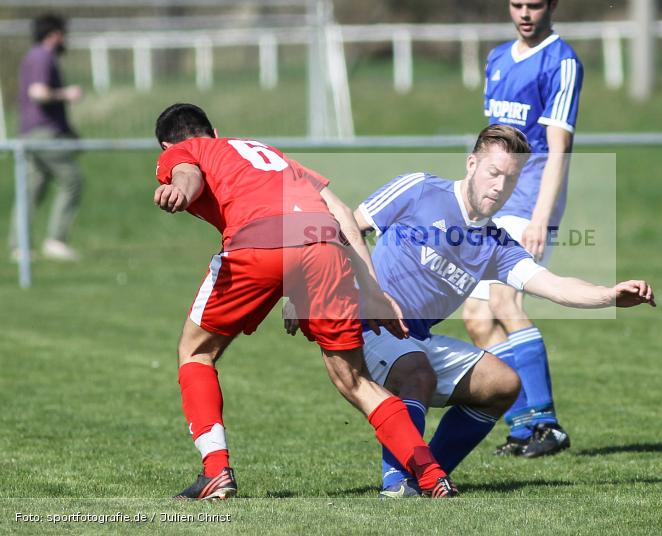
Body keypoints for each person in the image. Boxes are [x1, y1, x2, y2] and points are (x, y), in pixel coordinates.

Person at [285, 125, 653, 498]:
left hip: (413, 338)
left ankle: (427, 475)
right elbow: (344, 228)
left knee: (502, 384)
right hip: (365, 324)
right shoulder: (419, 189)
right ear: (472, 163)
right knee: (417, 371)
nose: (499, 186)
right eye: (493, 173)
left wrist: (608, 295)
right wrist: (303, 291)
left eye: (510, 179)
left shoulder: (496, 245)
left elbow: (553, 284)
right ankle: (399, 484)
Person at [153, 102, 457, 499]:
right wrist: (373, 292)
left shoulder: (184, 151)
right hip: (324, 246)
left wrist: (179, 188)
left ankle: (215, 472)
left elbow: (188, 174)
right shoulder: (271, 156)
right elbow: (342, 213)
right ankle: (433, 476)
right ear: (214, 130)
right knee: (355, 379)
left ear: (165, 145)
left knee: (195, 352)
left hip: (259, 244)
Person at [463, 0, 585, 458]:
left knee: (504, 303)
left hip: (530, 201)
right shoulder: (496, 58)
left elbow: (558, 150)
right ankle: (521, 426)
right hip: (491, 202)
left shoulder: (561, 61)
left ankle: (547, 424)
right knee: (475, 316)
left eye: (534, 5)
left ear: (553, 4)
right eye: (517, 5)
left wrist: (540, 215)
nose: (525, 14)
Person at [8, 14, 84, 261]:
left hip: (30, 132)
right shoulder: (42, 57)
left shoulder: (33, 56)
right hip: (43, 133)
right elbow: (38, 93)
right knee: (72, 180)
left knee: (32, 189)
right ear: (54, 34)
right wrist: (67, 94)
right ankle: (56, 240)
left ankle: (19, 247)